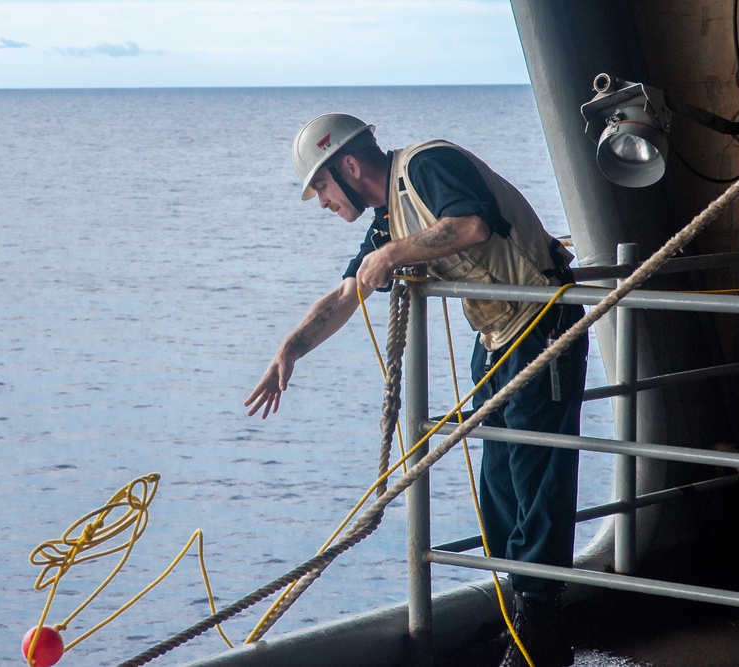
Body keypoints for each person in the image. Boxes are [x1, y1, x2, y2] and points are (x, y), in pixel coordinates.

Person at [244, 113, 587, 667]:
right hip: (497, 336)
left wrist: (394, 255)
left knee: (536, 475)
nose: (325, 203)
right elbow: (344, 296)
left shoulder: (427, 165)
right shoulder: (388, 219)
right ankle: (525, 616)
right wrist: (290, 349)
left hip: (541, 324)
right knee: (500, 486)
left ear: (350, 165)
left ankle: (541, 637)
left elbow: (471, 223)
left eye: (324, 188)